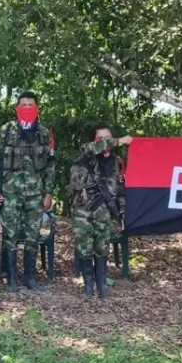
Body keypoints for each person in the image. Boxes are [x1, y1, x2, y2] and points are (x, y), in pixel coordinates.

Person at [0, 91, 55, 292]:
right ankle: (10, 278)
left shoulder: (44, 133)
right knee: (9, 234)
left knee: (33, 234)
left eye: (31, 105)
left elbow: (51, 165)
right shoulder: (6, 131)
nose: (27, 108)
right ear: (17, 108)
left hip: (35, 193)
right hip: (10, 192)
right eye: (23, 105)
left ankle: (29, 277)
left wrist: (48, 193)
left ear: (37, 108)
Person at [68, 124, 131, 298]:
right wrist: (118, 141)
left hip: (103, 211)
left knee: (102, 247)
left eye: (108, 138)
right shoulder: (87, 155)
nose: (105, 142)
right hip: (83, 210)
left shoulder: (115, 162)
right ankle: (89, 285)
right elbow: (89, 148)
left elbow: (120, 190)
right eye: (100, 139)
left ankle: (102, 284)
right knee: (84, 247)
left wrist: (122, 214)